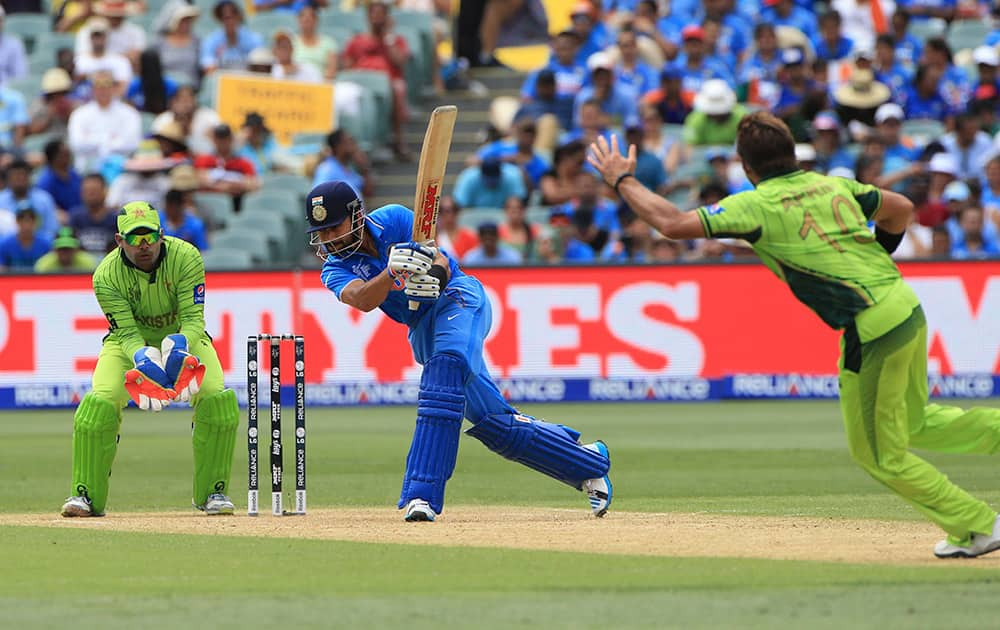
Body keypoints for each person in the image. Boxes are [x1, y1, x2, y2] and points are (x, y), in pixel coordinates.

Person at [588, 111, 1000, 559]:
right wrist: (878, 253)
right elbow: (900, 208)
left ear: (746, 168)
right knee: (916, 423)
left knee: (878, 455)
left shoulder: (754, 205)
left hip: (871, 326)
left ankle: (978, 525)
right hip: (905, 306)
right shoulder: (832, 184)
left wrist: (622, 181)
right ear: (792, 154)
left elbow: (670, 223)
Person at [307, 180, 612, 521]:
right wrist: (392, 273)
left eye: (333, 227)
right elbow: (362, 299)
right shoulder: (334, 268)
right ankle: (589, 464)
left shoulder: (392, 218)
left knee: (445, 369)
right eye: (319, 233)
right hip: (421, 326)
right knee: (494, 423)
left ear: (356, 214)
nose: (327, 239)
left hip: (457, 297)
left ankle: (421, 495)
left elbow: (440, 258)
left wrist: (433, 275)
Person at [60, 201, 239, 518]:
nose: (143, 246)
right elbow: (126, 334)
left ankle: (213, 492)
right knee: (99, 404)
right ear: (119, 240)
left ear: (162, 233)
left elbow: (194, 320)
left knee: (217, 399)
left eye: (149, 237)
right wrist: (143, 358)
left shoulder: (186, 257)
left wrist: (179, 346)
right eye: (134, 238)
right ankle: (85, 497)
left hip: (184, 338)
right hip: (127, 346)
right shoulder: (106, 275)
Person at [69, 173, 119, 257]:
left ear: (105, 191)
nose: (90, 194)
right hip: (83, 267)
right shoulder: (76, 217)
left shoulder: (116, 218)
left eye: (94, 191)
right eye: (86, 191)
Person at [0, 206, 52, 271]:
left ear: (35, 221)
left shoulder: (45, 244)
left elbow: (51, 268)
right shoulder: (5, 244)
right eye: (22, 220)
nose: (26, 225)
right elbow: (1, 268)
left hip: (39, 280)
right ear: (17, 221)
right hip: (14, 280)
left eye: (30, 220)